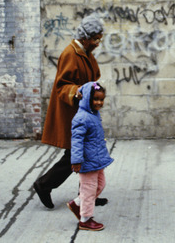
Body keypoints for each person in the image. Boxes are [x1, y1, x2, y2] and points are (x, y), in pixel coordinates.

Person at [33, 15, 104, 209]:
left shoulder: (85, 53)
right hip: (73, 115)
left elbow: (94, 75)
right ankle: (44, 185)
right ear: (85, 37)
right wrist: (78, 92)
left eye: (100, 39)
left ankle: (86, 195)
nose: (98, 43)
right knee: (75, 156)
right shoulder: (70, 54)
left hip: (84, 113)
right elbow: (62, 86)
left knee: (85, 154)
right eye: (95, 39)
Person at [66, 81, 113, 231]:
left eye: (101, 99)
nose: (99, 102)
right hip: (87, 161)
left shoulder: (93, 114)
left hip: (97, 159)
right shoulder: (81, 118)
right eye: (96, 99)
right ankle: (85, 219)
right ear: (87, 99)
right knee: (88, 189)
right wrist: (77, 160)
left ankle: (78, 203)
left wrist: (83, 88)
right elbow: (77, 141)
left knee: (100, 185)